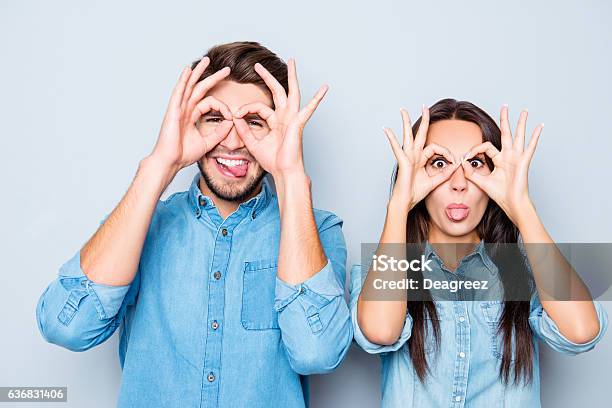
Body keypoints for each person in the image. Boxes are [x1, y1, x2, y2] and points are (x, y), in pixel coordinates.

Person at [36, 41, 352, 407]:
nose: (233, 141)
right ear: (191, 122)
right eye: (215, 119)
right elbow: (67, 328)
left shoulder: (321, 230)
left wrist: (290, 175)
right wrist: (160, 165)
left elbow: (318, 353)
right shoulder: (142, 224)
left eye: (254, 122)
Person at [350, 98, 608, 407]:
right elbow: (380, 331)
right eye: (440, 164)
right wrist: (399, 205)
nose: (459, 183)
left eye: (474, 164)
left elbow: (581, 331)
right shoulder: (383, 266)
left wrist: (522, 208)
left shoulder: (528, 270)